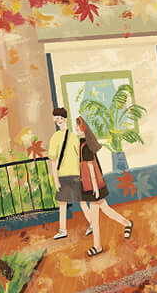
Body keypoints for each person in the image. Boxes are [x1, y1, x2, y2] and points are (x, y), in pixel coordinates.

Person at [75, 114, 132, 258]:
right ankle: (126, 223)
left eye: (78, 127)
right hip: (90, 184)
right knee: (104, 209)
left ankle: (98, 246)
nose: (76, 129)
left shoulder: (86, 145)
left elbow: (91, 168)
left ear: (83, 129)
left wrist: (94, 187)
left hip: (92, 185)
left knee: (97, 215)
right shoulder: (82, 143)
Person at [48, 106, 80, 242]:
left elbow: (78, 157)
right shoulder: (57, 137)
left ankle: (90, 223)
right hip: (65, 175)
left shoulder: (72, 137)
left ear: (65, 119)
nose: (58, 121)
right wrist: (56, 180)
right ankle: (63, 230)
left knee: (81, 201)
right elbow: (53, 160)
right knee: (63, 203)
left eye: (60, 118)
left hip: (72, 174)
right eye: (56, 119)